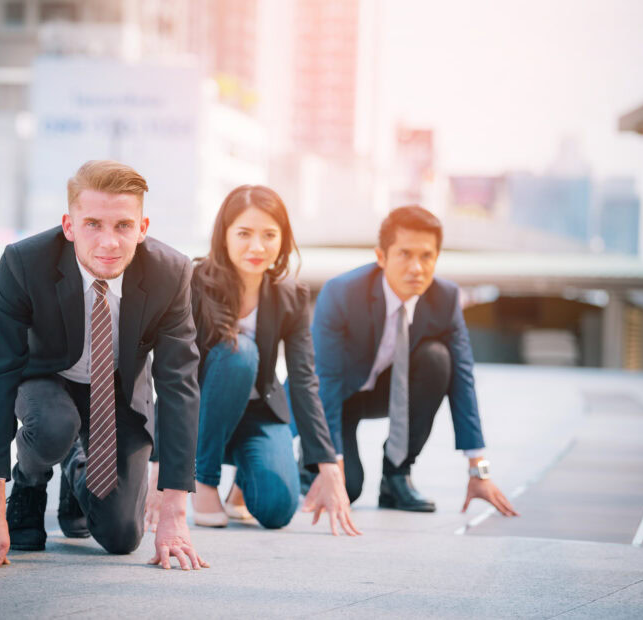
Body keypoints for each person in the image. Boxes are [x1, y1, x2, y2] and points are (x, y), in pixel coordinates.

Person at [0, 160, 208, 571]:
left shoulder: (172, 272)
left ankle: (78, 471)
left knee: (122, 537)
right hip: (48, 379)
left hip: (120, 390)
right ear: (69, 225)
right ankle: (32, 483)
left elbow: (180, 386)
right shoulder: (24, 263)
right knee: (54, 427)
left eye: (123, 226)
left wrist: (174, 514)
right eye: (93, 224)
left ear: (143, 228)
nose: (109, 241)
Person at [146, 185, 359, 536]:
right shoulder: (194, 284)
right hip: (202, 416)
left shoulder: (290, 295)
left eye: (269, 235)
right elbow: (174, 373)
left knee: (277, 509)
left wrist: (328, 464)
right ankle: (204, 479)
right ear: (224, 236)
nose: (257, 247)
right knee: (239, 352)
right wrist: (160, 460)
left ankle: (241, 485)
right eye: (244, 233)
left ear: (283, 240)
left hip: (257, 412)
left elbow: (304, 381)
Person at [308, 205, 518, 517]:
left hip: (389, 393)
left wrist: (478, 469)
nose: (417, 268)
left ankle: (397, 475)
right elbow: (323, 382)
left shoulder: (445, 299)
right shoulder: (341, 292)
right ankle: (309, 465)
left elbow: (463, 379)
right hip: (335, 394)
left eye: (426, 256)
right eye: (405, 254)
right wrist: (331, 467)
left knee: (438, 360)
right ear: (381, 257)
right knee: (347, 488)